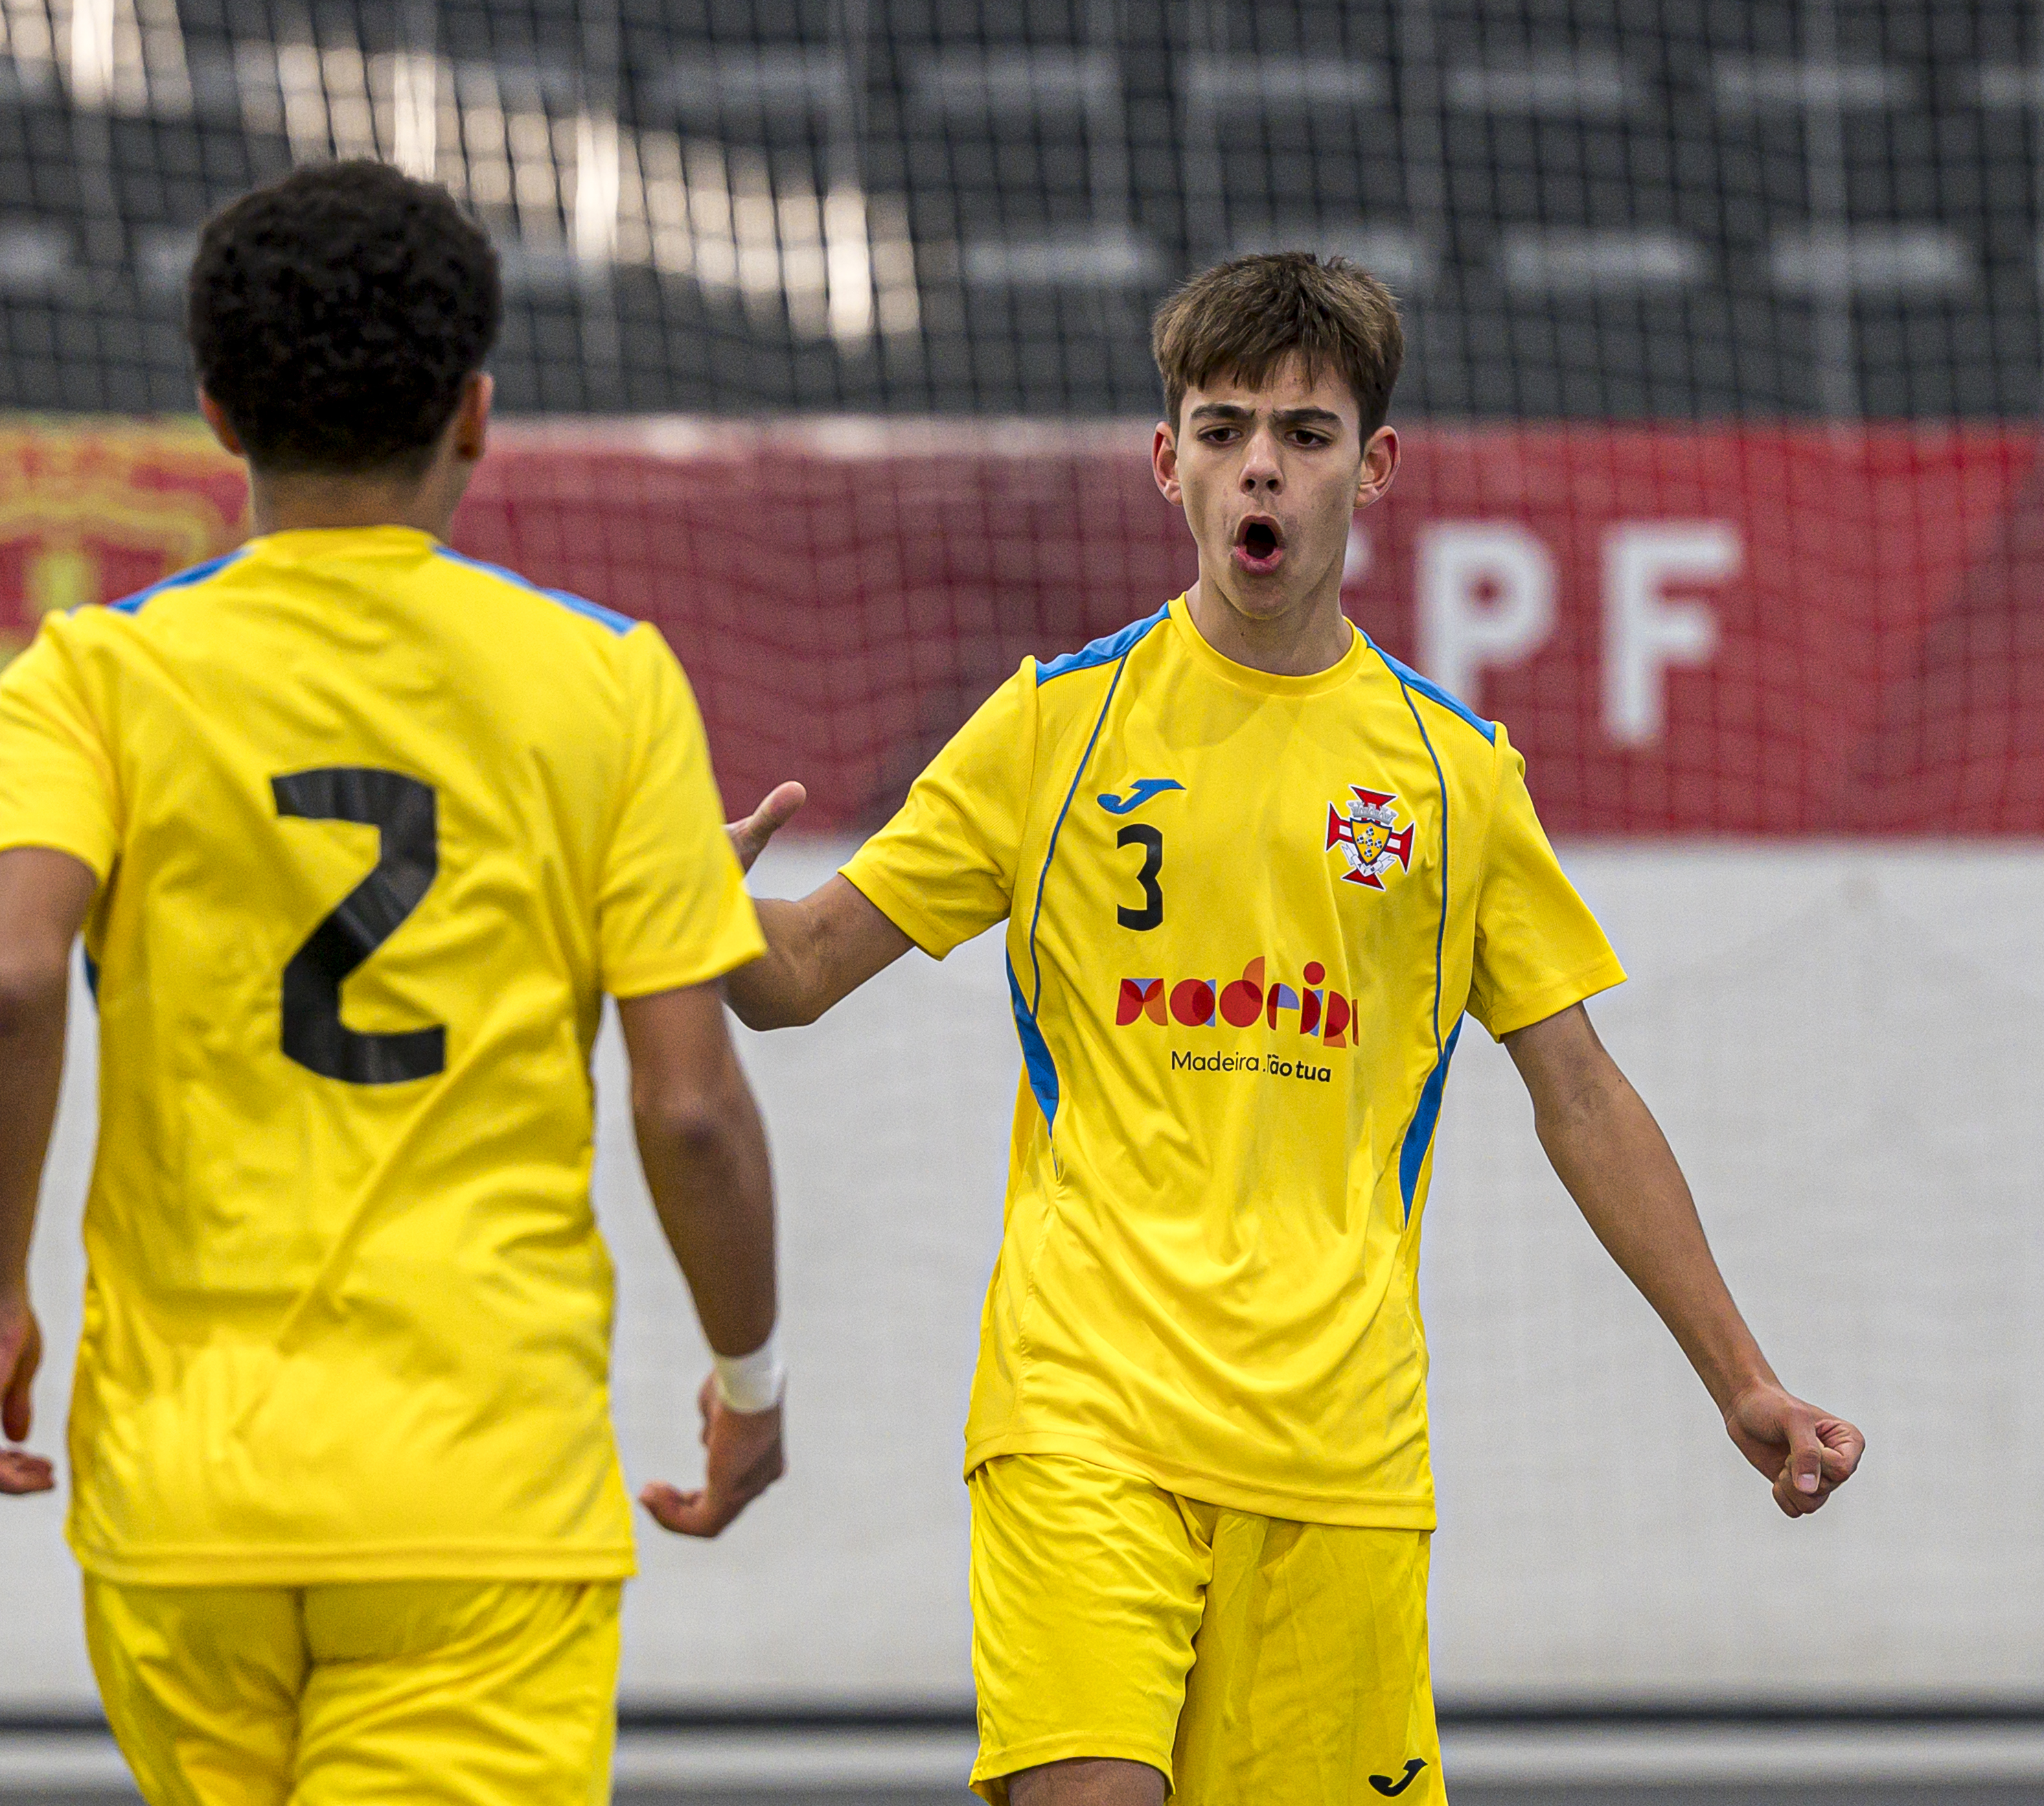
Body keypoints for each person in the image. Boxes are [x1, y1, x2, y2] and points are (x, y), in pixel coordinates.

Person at [720, 253, 1865, 1806]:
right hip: (1083, 1413)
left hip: (1337, 1453)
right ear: (1165, 461)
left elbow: (1578, 1092)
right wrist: (692, 913)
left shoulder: (1451, 775)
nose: (1259, 462)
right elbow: (795, 971)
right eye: (1221, 426)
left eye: (1304, 432)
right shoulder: (1053, 726)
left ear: (1371, 467)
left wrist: (1737, 1374)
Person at [0, 160, 787, 1806]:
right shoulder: (605, 684)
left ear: (215, 412)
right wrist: (746, 1377)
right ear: (474, 413)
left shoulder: (89, 674)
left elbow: (14, 979)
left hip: (184, 1499)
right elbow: (690, 1107)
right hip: (481, 1492)